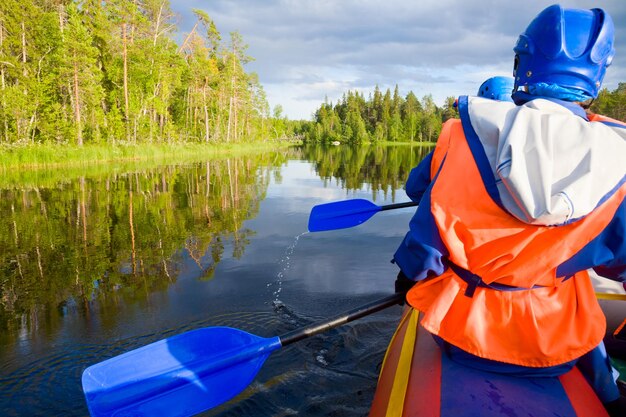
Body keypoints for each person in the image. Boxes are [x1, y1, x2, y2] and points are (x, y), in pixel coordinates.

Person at [393, 5, 626, 416]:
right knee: (590, 324)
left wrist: (406, 277)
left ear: (523, 63)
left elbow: (426, 245)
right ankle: (611, 397)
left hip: (465, 336)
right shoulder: (617, 162)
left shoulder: (462, 138)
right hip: (559, 341)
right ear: (597, 76)